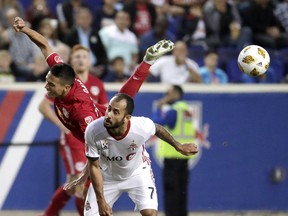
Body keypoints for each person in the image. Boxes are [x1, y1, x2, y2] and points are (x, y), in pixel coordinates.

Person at [13, 16, 175, 215]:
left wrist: (89, 175)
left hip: (102, 134)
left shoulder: (82, 114)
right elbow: (45, 45)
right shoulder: (61, 73)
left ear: (66, 87)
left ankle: (147, 62)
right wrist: (25, 28)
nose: (46, 86)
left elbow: (97, 145)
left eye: (50, 85)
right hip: (92, 123)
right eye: (47, 81)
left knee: (81, 185)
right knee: (76, 183)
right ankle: (146, 62)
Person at [65, 93, 198, 216]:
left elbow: (158, 129)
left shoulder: (140, 126)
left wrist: (178, 146)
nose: (109, 115)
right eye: (109, 109)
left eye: (116, 112)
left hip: (137, 173)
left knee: (150, 213)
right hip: (107, 177)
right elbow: (94, 165)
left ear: (127, 118)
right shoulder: (93, 130)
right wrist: (101, 201)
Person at [37, 44, 108, 216]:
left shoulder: (97, 83)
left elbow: (105, 109)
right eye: (77, 57)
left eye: (84, 56)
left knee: (72, 184)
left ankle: (49, 213)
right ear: (71, 61)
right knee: (77, 183)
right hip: (73, 140)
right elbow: (43, 106)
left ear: (90, 61)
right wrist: (64, 127)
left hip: (89, 138)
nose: (81, 60)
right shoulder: (63, 82)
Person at [151, 85, 197, 216]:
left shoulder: (174, 110)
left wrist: (158, 108)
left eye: (168, 93)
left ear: (176, 94)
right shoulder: (186, 110)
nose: (166, 96)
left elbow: (157, 124)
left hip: (173, 157)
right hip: (184, 158)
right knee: (182, 190)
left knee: (171, 191)